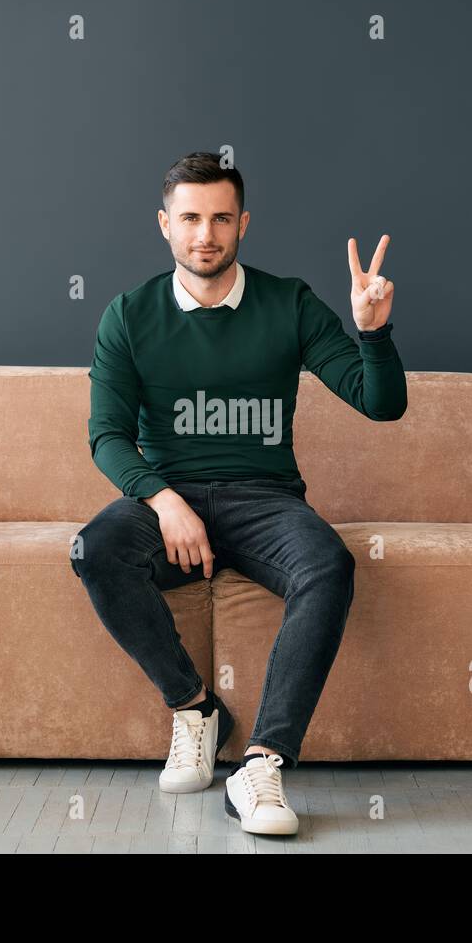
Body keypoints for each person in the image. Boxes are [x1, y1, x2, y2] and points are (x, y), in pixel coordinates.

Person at [70, 151, 407, 836]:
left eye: (221, 217)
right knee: (95, 547)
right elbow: (106, 435)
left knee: (328, 563)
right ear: (165, 224)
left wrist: (373, 333)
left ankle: (261, 761)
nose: (206, 234)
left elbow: (383, 404)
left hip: (266, 497)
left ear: (243, 224)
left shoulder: (290, 302)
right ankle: (195, 708)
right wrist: (164, 500)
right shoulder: (129, 315)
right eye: (190, 217)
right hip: (168, 497)